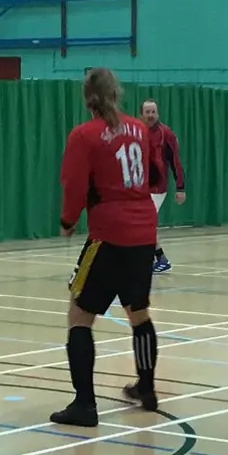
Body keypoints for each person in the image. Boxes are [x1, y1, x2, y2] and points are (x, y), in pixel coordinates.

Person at [52, 68, 162, 429]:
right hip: (143, 232)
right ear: (117, 94)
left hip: (108, 234)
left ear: (88, 100)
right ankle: (146, 388)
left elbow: (74, 184)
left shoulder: (84, 135)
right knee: (138, 312)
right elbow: (152, 173)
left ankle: (85, 404)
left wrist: (68, 221)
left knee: (79, 315)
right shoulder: (141, 130)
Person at [141, 98, 186, 274]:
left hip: (157, 188)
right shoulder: (136, 131)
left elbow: (176, 161)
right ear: (142, 114)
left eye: (153, 112)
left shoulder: (166, 134)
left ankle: (159, 259)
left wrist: (180, 187)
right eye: (147, 112)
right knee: (143, 225)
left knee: (144, 224)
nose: (151, 115)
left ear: (157, 113)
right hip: (139, 187)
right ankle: (158, 258)